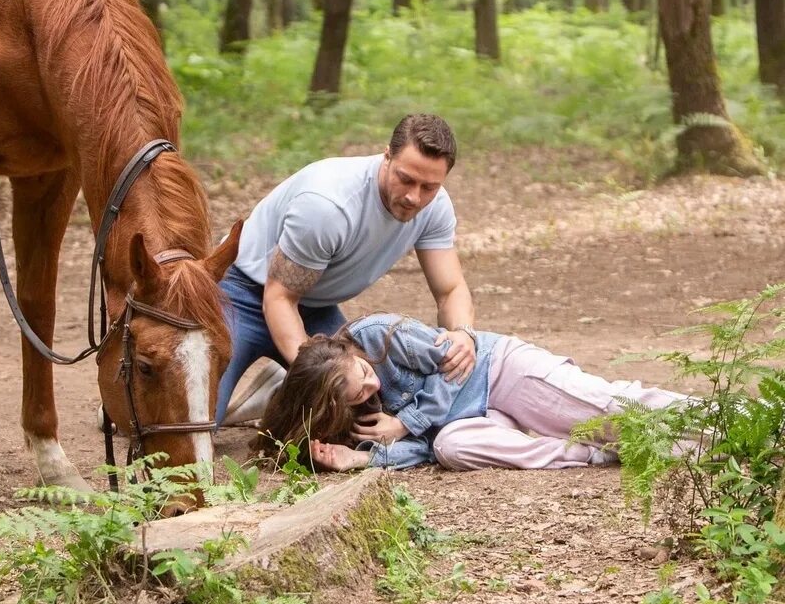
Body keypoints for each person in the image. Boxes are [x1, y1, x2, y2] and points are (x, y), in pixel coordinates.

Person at [215, 113, 476, 426]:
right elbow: (280, 298)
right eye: (405, 179)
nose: (414, 197)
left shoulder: (435, 208)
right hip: (241, 295)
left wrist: (463, 335)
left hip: (315, 308)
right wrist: (318, 374)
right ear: (386, 156)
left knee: (373, 408)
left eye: (429, 187)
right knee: (195, 423)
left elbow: (450, 291)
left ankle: (279, 389)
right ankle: (288, 382)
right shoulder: (328, 205)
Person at [257, 313, 688, 472]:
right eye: (358, 394)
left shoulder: (377, 335)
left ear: (351, 354)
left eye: (366, 374)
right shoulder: (350, 419)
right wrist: (365, 458)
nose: (372, 386)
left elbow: (456, 367)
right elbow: (425, 450)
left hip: (498, 371)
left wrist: (407, 421)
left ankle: (731, 420)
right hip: (473, 420)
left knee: (610, 412)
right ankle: (588, 454)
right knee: (451, 447)